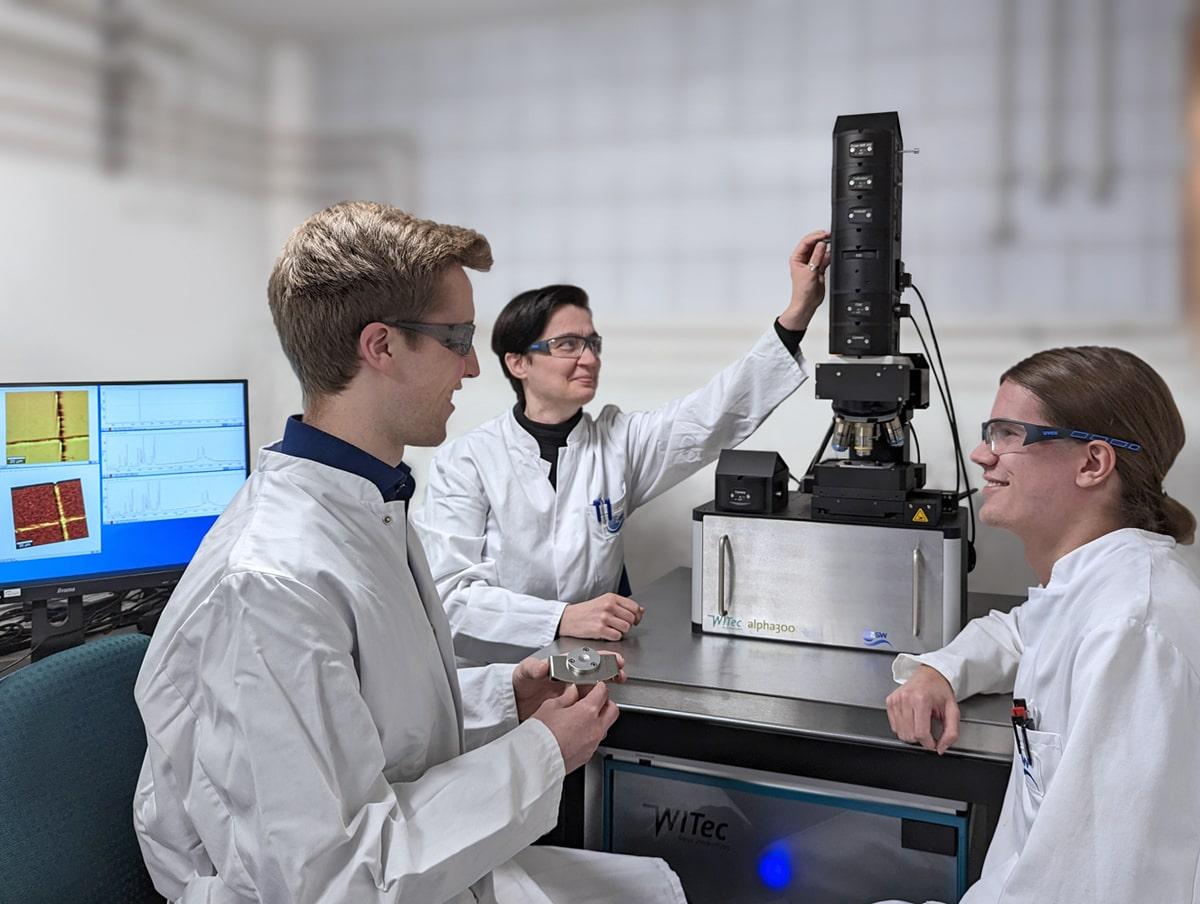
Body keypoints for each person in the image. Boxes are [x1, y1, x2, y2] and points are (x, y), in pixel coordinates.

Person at [132, 201, 686, 904]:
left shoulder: (369, 503)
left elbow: (372, 722)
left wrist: (507, 696)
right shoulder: (272, 581)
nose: (476, 365)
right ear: (381, 346)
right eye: (457, 337)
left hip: (407, 866)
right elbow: (325, 880)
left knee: (655, 886)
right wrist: (541, 753)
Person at [414, 230, 831, 663]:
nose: (589, 358)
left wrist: (797, 313)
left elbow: (711, 415)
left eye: (592, 343)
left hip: (591, 665)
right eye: (567, 345)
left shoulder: (618, 442)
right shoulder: (466, 461)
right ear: (518, 362)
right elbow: (451, 597)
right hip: (494, 677)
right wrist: (561, 617)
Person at [881, 346, 1200, 904]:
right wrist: (940, 671)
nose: (982, 455)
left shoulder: (1131, 628)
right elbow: (1018, 630)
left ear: (1092, 464)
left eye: (1009, 433)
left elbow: (1099, 885)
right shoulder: (1089, 585)